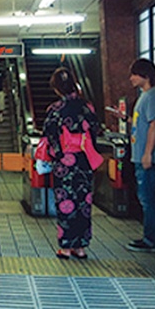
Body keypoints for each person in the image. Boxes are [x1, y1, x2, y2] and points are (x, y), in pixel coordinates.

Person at [43, 67, 100, 260]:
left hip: (65, 163)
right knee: (84, 202)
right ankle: (81, 247)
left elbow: (50, 135)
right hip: (84, 161)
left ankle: (66, 247)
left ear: (57, 89)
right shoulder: (87, 107)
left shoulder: (55, 110)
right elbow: (94, 131)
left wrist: (57, 154)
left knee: (66, 202)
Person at [111, 59, 155, 253]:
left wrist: (148, 154)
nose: (131, 78)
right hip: (140, 155)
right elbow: (143, 123)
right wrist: (125, 118)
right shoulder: (145, 97)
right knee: (146, 197)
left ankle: (153, 240)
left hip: (147, 157)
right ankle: (150, 237)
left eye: (134, 74)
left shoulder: (153, 96)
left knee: (148, 198)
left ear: (146, 75)